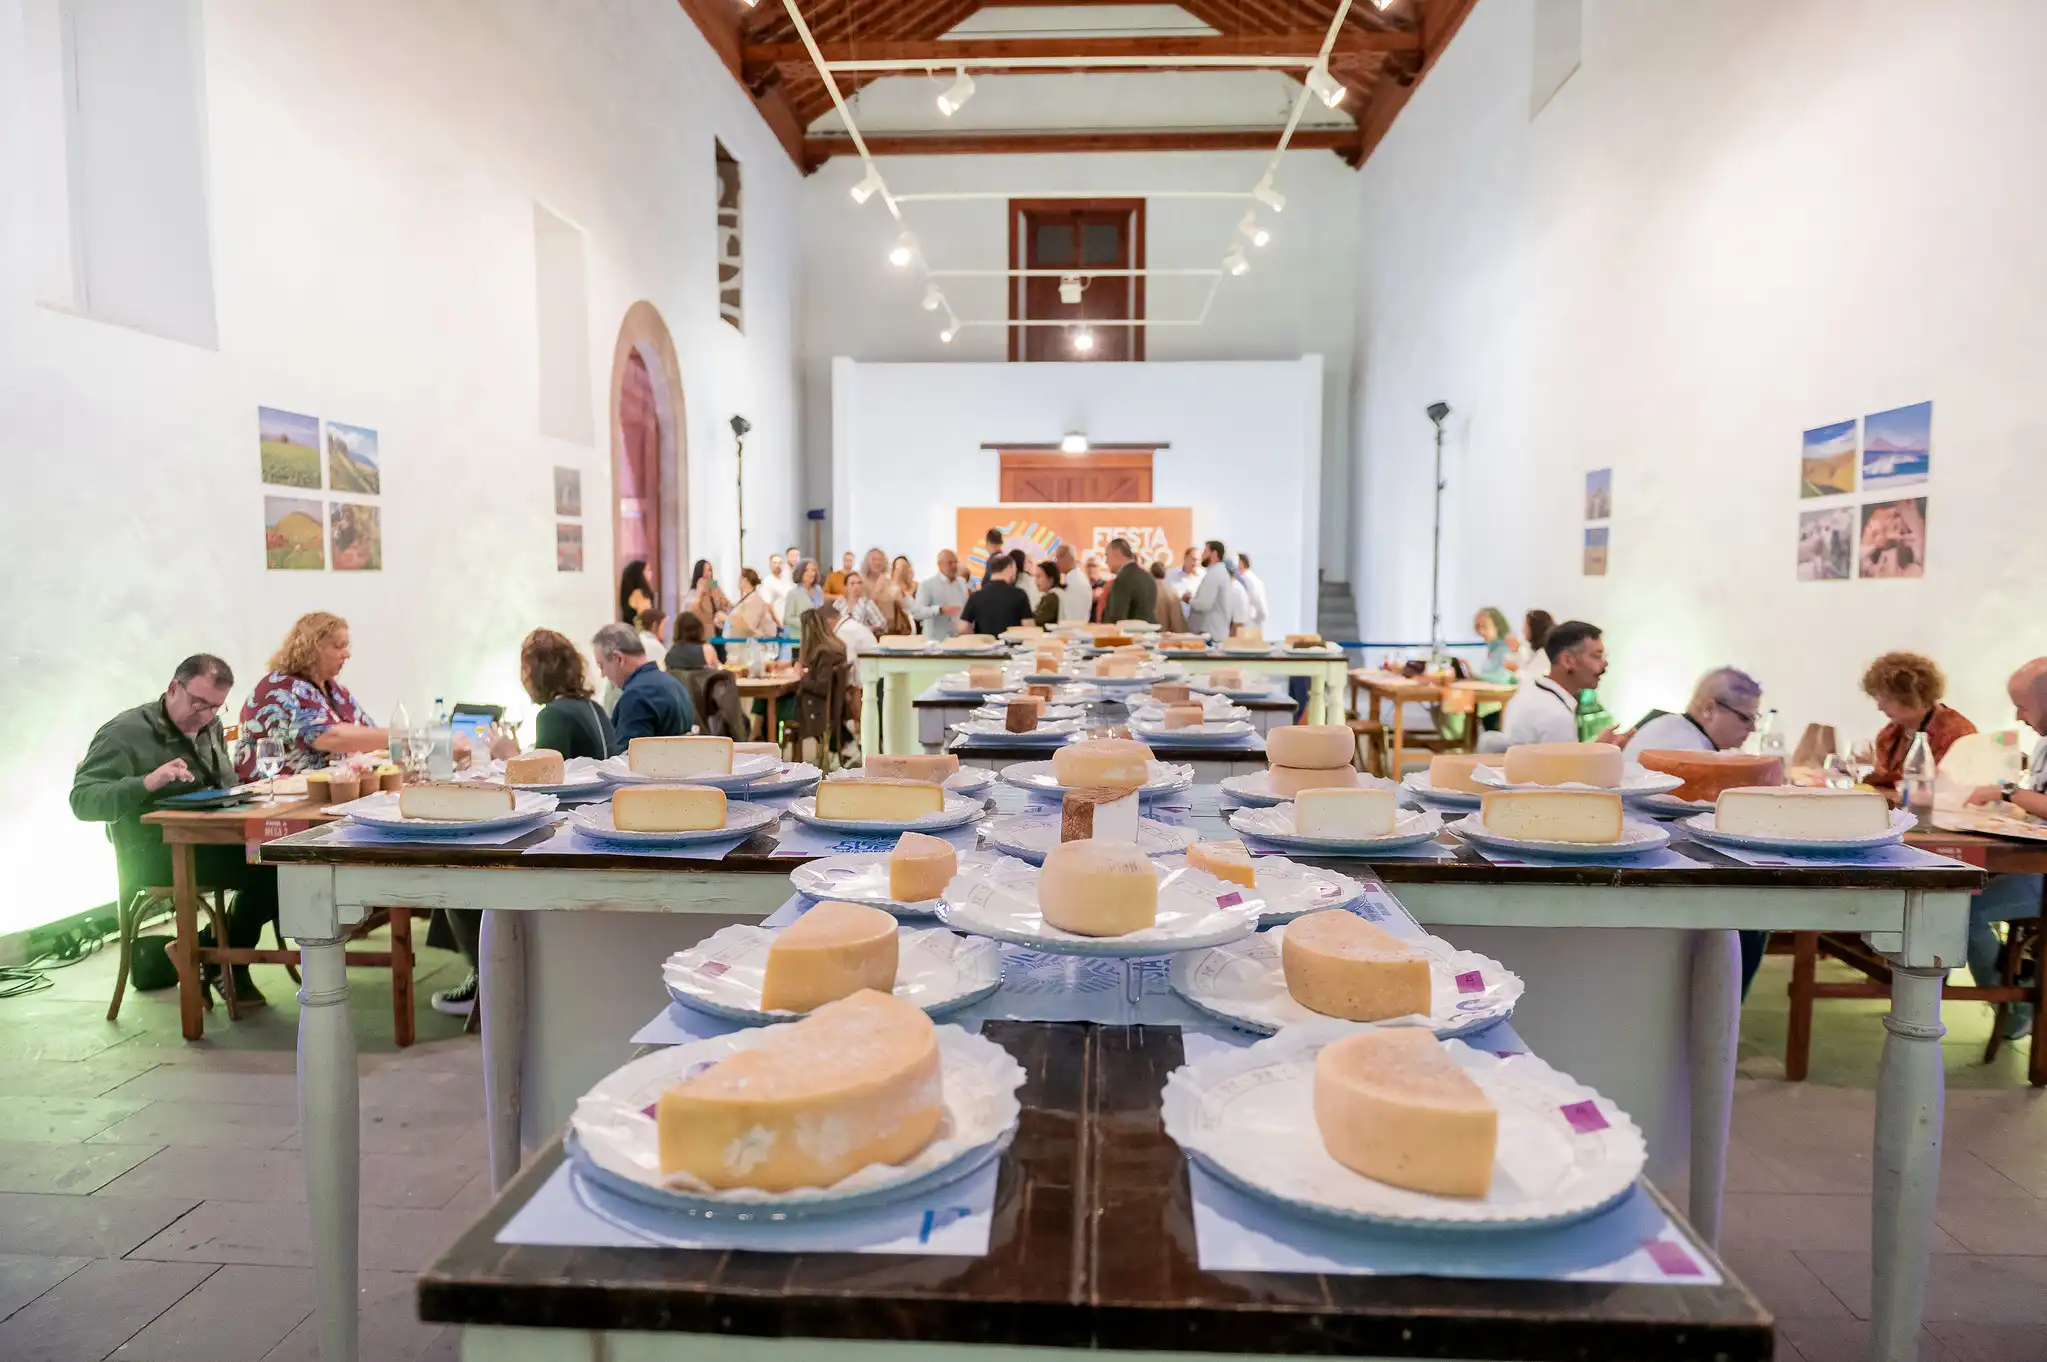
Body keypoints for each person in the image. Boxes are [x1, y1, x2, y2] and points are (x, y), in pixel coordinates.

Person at [72, 654, 281, 1006]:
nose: (205, 715)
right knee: (271, 869)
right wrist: (147, 782)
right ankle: (219, 960)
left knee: (290, 858)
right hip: (153, 852)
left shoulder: (208, 724)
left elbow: (221, 782)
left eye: (215, 707)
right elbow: (82, 800)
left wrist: (249, 793)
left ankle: (205, 954)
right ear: (173, 688)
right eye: (198, 703)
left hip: (208, 839)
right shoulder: (125, 733)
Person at [452, 631, 618, 1015]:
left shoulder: (553, 715)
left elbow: (544, 788)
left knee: (461, 868)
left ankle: (485, 978)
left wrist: (508, 755)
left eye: (524, 669)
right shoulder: (591, 707)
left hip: (563, 835)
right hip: (591, 824)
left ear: (536, 671)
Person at [1962, 658, 2047, 1035]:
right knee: (1962, 901)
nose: (2018, 715)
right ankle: (2016, 984)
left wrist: (2008, 792)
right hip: (2037, 864)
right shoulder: (2043, 742)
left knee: (1964, 914)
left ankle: (2017, 1004)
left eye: (2024, 705)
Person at [234, 612, 387, 779]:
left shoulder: (335, 691)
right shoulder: (280, 688)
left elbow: (369, 734)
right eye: (339, 646)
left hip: (322, 790)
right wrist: (403, 736)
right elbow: (332, 737)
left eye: (347, 646)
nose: (347, 654)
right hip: (272, 795)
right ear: (313, 648)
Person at [1861, 650, 1976, 796]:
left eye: (1887, 700)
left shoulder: (1957, 734)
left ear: (1915, 696)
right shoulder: (1888, 736)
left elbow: (1948, 792)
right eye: (1877, 699)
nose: (1879, 707)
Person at [1500, 620, 1611, 746]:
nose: (1604, 664)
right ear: (1568, 661)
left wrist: (1598, 748)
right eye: (1597, 656)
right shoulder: (1556, 716)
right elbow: (1565, 765)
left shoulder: (1528, 692)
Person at [1624, 667, 1764, 758]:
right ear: (1709, 709)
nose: (1753, 728)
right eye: (1745, 718)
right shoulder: (1691, 752)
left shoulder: (1665, 725)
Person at [592, 622, 692, 742]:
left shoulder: (636, 697)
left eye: (601, 665)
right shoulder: (674, 684)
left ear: (618, 659)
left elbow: (627, 757)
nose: (602, 674)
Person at [960, 552, 1033, 635]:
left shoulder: (975, 596)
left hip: (986, 646)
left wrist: (978, 639)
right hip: (1011, 646)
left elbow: (963, 628)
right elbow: (1029, 628)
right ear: (1010, 568)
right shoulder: (1019, 595)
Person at [910, 549, 970, 640]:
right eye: (950, 563)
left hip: (958, 641)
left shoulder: (962, 583)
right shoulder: (927, 585)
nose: (954, 566)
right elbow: (917, 613)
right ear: (940, 565)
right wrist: (939, 610)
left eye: (955, 562)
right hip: (936, 643)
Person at [1098, 538, 1158, 625]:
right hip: (1147, 635)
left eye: (1107, 556)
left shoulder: (1123, 578)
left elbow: (1117, 619)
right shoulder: (1147, 576)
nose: (1106, 561)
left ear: (1116, 553)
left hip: (1129, 636)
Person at [1185, 540, 1235, 639]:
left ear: (1214, 553)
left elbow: (1203, 604)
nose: (1203, 555)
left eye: (1205, 551)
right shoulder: (1218, 573)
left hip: (1210, 635)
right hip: (1214, 633)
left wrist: (1188, 600)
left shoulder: (1215, 574)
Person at [681, 559, 731, 645]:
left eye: (710, 570)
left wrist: (717, 595)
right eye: (705, 571)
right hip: (702, 637)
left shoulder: (714, 586)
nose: (708, 574)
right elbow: (689, 613)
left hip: (718, 634)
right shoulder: (693, 593)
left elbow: (728, 605)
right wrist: (699, 593)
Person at [726, 568, 778, 643]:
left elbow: (749, 626)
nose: (737, 581)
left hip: (752, 648)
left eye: (740, 578)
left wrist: (725, 618)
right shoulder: (746, 599)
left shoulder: (754, 600)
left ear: (745, 580)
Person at [1051, 545, 1092, 623]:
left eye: (1060, 557)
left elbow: (1073, 615)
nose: (1057, 562)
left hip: (1072, 630)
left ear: (1070, 558)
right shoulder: (1073, 578)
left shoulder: (1077, 581)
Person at [784, 559, 825, 634]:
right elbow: (788, 618)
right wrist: (807, 623)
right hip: (800, 638)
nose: (811, 573)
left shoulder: (818, 591)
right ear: (800, 572)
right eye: (806, 570)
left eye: (813, 570)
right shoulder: (793, 594)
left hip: (818, 637)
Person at [1236, 553, 1271, 634]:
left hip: (1251, 622)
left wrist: (1258, 617)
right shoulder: (1244, 578)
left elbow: (1258, 601)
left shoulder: (1249, 580)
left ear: (1241, 563)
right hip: (1246, 622)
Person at [1151, 562, 1189, 632]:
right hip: (1166, 637)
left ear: (1151, 573)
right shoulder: (1172, 594)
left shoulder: (1146, 592)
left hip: (1148, 635)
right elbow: (1177, 622)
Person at [618, 560, 654, 625]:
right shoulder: (639, 594)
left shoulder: (630, 594)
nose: (651, 573)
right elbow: (645, 620)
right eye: (648, 570)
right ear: (639, 574)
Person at [1031, 561, 1065, 627]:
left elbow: (1038, 620)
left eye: (1039, 576)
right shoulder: (1058, 593)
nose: (1035, 581)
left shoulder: (1052, 597)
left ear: (1051, 579)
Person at [759, 553, 792, 620]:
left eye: (780, 563)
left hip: (789, 620)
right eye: (774, 563)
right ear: (770, 565)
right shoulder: (767, 582)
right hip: (777, 621)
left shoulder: (788, 578)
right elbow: (768, 605)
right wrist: (778, 623)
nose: (777, 565)